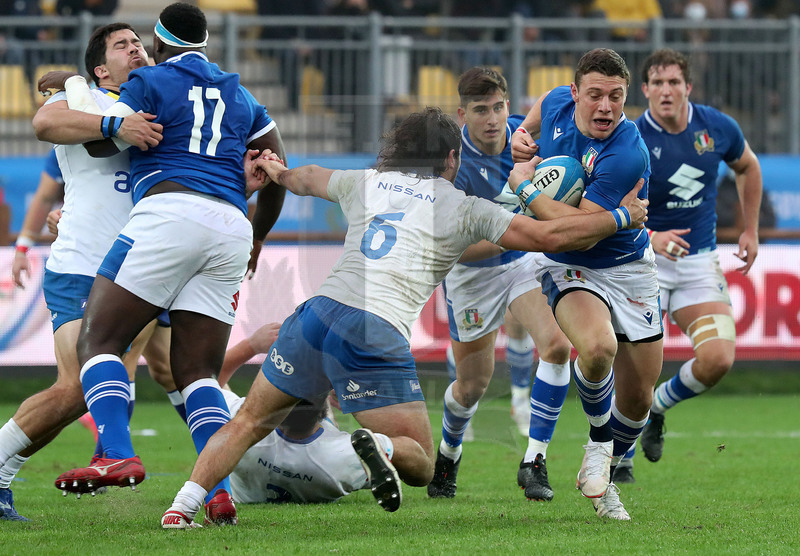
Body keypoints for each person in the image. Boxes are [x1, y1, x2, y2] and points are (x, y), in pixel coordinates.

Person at [160, 105, 648, 528]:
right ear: (451, 158)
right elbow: (548, 238)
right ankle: (381, 447)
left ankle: (181, 507)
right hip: (373, 329)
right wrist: (623, 218)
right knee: (420, 462)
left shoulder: (367, 181)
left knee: (247, 421)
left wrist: (275, 169)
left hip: (314, 315)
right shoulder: (465, 207)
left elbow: (307, 177)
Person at [33, 3, 286, 526]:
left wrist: (79, 89)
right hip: (231, 227)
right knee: (197, 373)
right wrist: (258, 237)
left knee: (99, 342)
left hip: (169, 214)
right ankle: (216, 492)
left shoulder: (149, 82)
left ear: (158, 44)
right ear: (206, 42)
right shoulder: (239, 92)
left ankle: (114, 453)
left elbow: (102, 145)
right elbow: (276, 165)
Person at [0, 22, 170, 522]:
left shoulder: (161, 104)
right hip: (80, 264)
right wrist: (116, 125)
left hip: (136, 269)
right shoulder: (82, 100)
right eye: (123, 45)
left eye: (139, 43)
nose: (136, 49)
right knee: (80, 384)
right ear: (100, 69)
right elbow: (44, 123)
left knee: (91, 389)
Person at [511, 47, 662, 521]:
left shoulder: (627, 153)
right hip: (568, 265)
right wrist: (520, 136)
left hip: (627, 265)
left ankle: (606, 472)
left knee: (639, 399)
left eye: (616, 97)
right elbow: (563, 241)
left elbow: (579, 228)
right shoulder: (557, 101)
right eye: (595, 95)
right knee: (597, 349)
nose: (605, 107)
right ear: (575, 92)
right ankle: (598, 445)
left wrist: (525, 188)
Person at [427, 67, 573, 503]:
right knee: (472, 386)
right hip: (472, 276)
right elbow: (455, 251)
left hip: (524, 263)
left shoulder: (525, 141)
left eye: (497, 108)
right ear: (462, 114)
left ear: (508, 106)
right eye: (480, 110)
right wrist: (517, 229)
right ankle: (449, 454)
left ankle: (534, 460)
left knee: (558, 346)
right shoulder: (451, 164)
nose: (491, 119)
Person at [619, 48, 762, 480]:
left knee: (717, 359)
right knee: (634, 372)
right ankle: (619, 456)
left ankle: (658, 408)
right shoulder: (630, 138)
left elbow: (748, 166)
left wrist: (750, 230)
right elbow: (609, 207)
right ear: (645, 90)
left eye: (674, 82)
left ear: (688, 87)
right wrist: (652, 236)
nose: (666, 90)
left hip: (699, 261)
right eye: (657, 83)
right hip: (642, 262)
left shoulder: (716, 127)